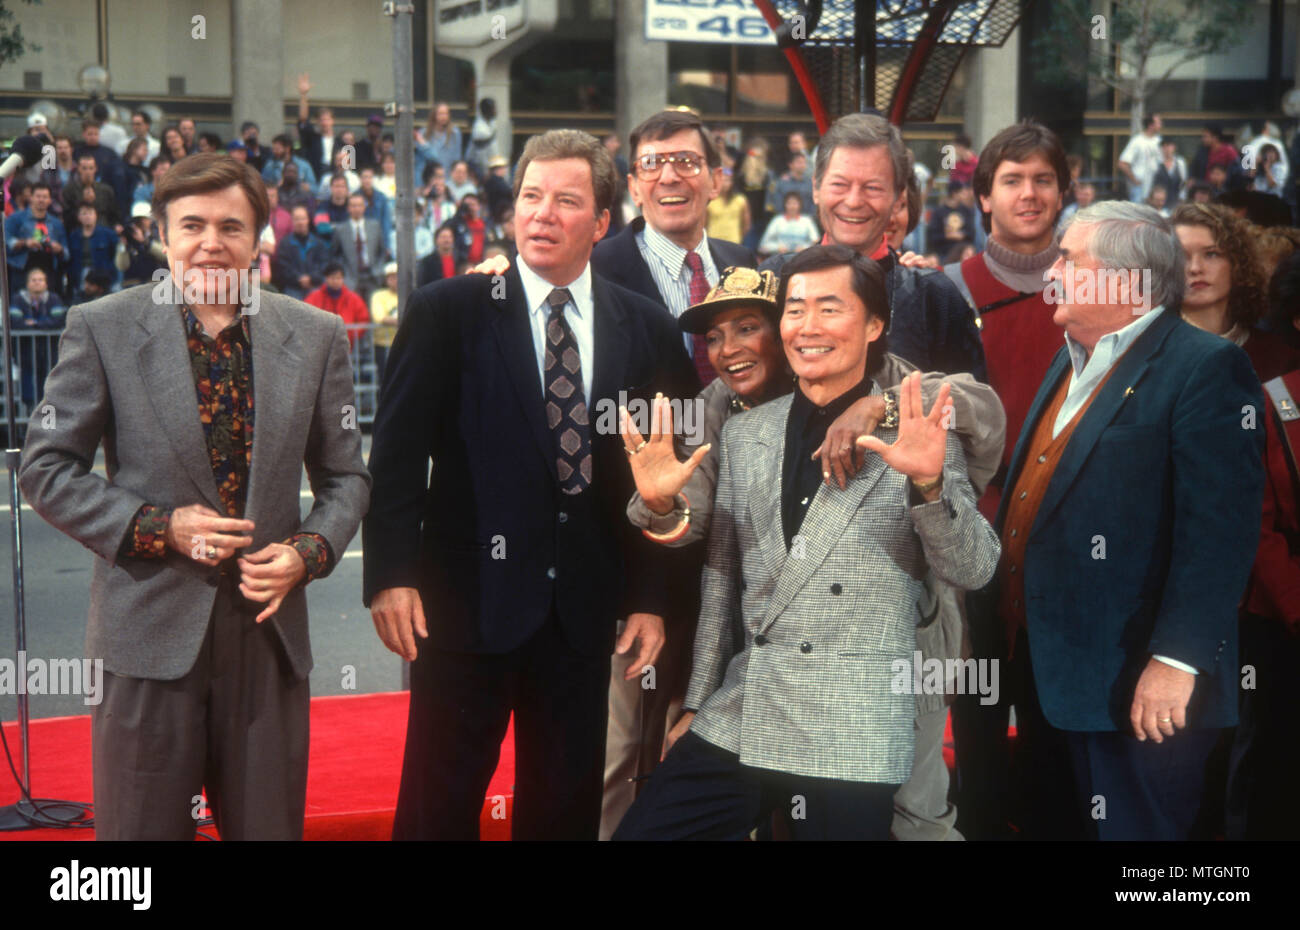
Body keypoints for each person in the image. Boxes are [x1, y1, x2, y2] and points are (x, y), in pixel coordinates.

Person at [17, 151, 370, 841]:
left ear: (258, 238)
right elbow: (45, 468)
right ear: (164, 235)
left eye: (231, 226)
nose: (212, 241)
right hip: (147, 637)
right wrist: (159, 527)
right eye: (193, 225)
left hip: (269, 641)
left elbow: (346, 478)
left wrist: (307, 551)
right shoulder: (104, 326)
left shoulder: (317, 335)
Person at [362, 128, 698, 840]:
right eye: (531, 197)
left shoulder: (645, 327)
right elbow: (395, 459)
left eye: (567, 200)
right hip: (461, 611)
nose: (543, 214)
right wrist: (390, 574)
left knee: (562, 813)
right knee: (436, 809)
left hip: (581, 618)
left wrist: (650, 596)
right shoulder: (446, 310)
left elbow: (667, 472)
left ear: (603, 221)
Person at [613, 244, 1001, 840]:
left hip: (854, 716)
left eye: (829, 308)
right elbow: (722, 581)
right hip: (748, 702)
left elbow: (974, 566)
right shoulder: (743, 432)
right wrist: (697, 701)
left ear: (874, 326)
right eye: (796, 310)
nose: (808, 327)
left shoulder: (914, 430)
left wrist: (927, 482)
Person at [969, 201, 1264, 841]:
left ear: (1124, 283)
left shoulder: (1206, 368)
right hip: (1049, 679)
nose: (1053, 268)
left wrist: (1176, 663)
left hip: (1137, 694)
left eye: (1070, 259)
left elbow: (1219, 537)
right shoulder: (1071, 354)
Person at [939, 120, 1071, 839]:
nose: (1029, 193)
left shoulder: (1096, 287)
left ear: (1063, 191)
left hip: (1070, 537)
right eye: (1013, 180)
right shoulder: (948, 289)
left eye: (1043, 179)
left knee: (1058, 728)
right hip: (974, 535)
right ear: (984, 196)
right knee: (978, 720)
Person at [761, 112, 987, 382]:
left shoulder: (933, 297)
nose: (854, 201)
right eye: (839, 185)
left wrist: (887, 407)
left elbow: (973, 407)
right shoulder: (772, 280)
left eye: (872, 187)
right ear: (816, 188)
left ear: (898, 198)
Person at [9, 266, 66, 411]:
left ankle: (48, 427)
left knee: (49, 391)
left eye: (40, 280)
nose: (37, 282)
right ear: (27, 283)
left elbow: (58, 320)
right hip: (25, 353)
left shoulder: (54, 298)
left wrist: (34, 322)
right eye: (34, 280)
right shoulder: (17, 299)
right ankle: (28, 424)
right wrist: (44, 322)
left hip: (49, 354)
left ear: (46, 283)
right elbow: (16, 322)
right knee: (28, 393)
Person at [5, 181, 66, 298]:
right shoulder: (15, 219)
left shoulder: (56, 223)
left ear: (50, 200)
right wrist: (25, 243)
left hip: (49, 272)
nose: (41, 200)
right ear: (31, 198)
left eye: (45, 197)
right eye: (38, 196)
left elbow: (66, 252)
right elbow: (5, 242)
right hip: (21, 271)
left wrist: (59, 249)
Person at [330, 192, 385, 302]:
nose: (357, 209)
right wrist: (344, 271)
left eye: (360, 205)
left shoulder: (375, 226)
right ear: (348, 208)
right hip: (351, 278)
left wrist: (378, 270)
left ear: (364, 207)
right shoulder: (340, 229)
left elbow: (382, 251)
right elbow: (334, 254)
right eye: (353, 206)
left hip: (372, 276)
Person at [305, 262, 370, 347]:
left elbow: (364, 320)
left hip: (347, 345)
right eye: (332, 278)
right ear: (326, 278)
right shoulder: (314, 297)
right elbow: (306, 317)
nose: (335, 281)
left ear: (343, 279)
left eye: (338, 278)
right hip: (321, 346)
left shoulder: (354, 298)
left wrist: (350, 335)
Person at [272, 205, 330, 300]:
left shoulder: (319, 243)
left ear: (308, 220)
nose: (300, 222)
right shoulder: (285, 244)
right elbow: (283, 268)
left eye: (303, 218)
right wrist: (299, 279)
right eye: (297, 219)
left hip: (315, 286)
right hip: (292, 288)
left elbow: (324, 265)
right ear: (292, 221)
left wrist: (311, 278)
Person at [65, 203, 119, 297]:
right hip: (81, 276)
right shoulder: (74, 236)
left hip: (102, 276)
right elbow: (71, 261)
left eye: (90, 213)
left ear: (96, 215)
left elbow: (115, 257)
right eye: (84, 213)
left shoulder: (108, 234)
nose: (87, 216)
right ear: (79, 217)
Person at [62, 154, 120, 231]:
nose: (88, 172)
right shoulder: (69, 190)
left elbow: (114, 214)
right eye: (84, 168)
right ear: (78, 169)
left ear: (96, 169)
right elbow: (67, 217)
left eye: (91, 168)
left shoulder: (106, 190)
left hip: (103, 230)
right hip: (78, 231)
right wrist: (82, 202)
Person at [1118, 113, 1162, 203]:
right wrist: (1135, 180)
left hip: (1156, 188)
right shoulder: (1137, 141)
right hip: (1139, 190)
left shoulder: (1159, 141)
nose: (1161, 125)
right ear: (1150, 125)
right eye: (1158, 122)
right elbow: (1122, 163)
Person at [759, 191, 819, 256]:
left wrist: (804, 248)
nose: (792, 207)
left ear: (800, 205)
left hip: (802, 258)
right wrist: (777, 248)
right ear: (785, 205)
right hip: (780, 258)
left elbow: (816, 243)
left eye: (795, 203)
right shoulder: (777, 220)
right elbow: (763, 246)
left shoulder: (807, 221)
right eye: (789, 203)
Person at [416, 102, 463, 186]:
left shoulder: (455, 133)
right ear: (434, 115)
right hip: (428, 178)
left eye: (446, 114)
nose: (444, 117)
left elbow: (457, 157)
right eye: (441, 114)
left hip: (447, 177)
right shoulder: (423, 133)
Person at [369, 261, 400, 378]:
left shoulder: (410, 293)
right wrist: (403, 322)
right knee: (385, 379)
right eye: (392, 277)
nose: (395, 280)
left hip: (405, 342)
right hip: (384, 344)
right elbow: (379, 317)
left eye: (397, 276)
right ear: (386, 279)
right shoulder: (378, 295)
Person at [705, 166, 750, 245]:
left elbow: (746, 224)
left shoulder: (740, 200)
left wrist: (740, 237)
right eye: (723, 181)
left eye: (728, 181)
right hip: (714, 242)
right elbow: (704, 224)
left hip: (734, 242)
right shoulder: (710, 200)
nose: (725, 184)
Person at [466, 97, 499, 181]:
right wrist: (486, 173)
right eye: (493, 108)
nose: (496, 111)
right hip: (479, 169)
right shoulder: (479, 129)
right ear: (487, 110)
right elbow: (480, 155)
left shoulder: (492, 123)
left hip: (490, 167)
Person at [1152, 137, 1187, 205]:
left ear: (1174, 147)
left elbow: (1183, 183)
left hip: (1175, 200)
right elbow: (1149, 182)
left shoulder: (1180, 163)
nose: (1166, 149)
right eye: (1164, 146)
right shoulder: (1154, 162)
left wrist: (1182, 198)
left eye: (1169, 146)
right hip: (1158, 202)